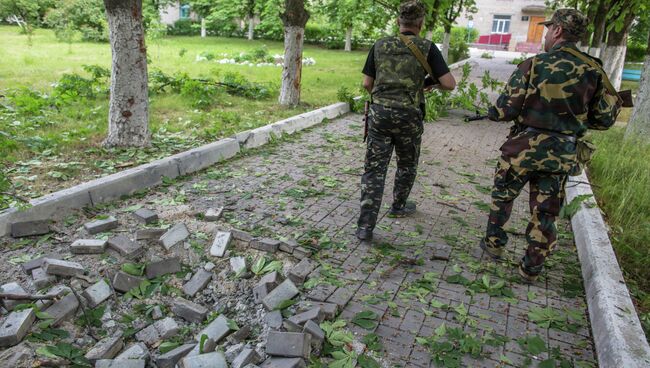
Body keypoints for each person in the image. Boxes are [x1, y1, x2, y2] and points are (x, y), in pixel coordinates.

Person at [479, 9, 622, 281]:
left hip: (521, 149)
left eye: (548, 29)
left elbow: (504, 111)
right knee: (546, 210)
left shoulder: (533, 64)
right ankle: (531, 268)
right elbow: (604, 120)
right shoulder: (594, 70)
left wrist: (491, 112)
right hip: (561, 154)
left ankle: (494, 244)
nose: (545, 34)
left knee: (503, 196)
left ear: (557, 31)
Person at [356, 0, 456, 241]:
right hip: (409, 117)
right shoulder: (427, 47)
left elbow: (367, 83)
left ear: (398, 21)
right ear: (420, 23)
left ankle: (365, 227)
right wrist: (425, 85)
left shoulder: (379, 45)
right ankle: (399, 206)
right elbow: (449, 84)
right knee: (407, 163)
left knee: (374, 170)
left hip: (380, 114)